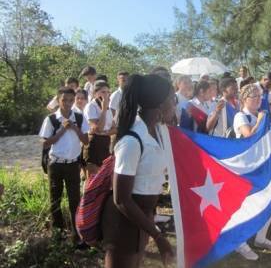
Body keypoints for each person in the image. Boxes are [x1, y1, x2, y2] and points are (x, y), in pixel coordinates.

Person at [101, 74, 174, 268]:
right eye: (171, 99)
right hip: (124, 221)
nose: (174, 104)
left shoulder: (157, 133)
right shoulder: (132, 142)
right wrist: (158, 236)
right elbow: (121, 199)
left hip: (143, 218)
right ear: (159, 104)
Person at [233, 83, 271, 260]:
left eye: (259, 96)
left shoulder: (261, 115)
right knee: (245, 206)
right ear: (245, 99)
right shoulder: (240, 116)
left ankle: (260, 238)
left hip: (262, 166)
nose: (258, 99)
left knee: (270, 202)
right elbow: (248, 136)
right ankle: (240, 243)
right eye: (254, 96)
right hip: (246, 168)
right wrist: (260, 120)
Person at [39, 87, 89, 246]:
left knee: (75, 200)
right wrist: (62, 130)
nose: (67, 103)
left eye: (70, 100)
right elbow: (45, 142)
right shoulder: (52, 119)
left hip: (73, 164)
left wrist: (74, 127)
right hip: (56, 164)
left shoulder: (80, 118)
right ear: (58, 100)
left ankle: (77, 236)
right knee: (55, 199)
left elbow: (86, 141)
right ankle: (58, 234)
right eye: (64, 100)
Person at [83, 80, 116, 177]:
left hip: (105, 141)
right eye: (103, 92)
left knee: (103, 176)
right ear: (95, 93)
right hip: (94, 143)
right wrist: (103, 110)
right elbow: (98, 129)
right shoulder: (91, 106)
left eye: (107, 92)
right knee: (93, 177)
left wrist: (106, 133)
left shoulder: (107, 108)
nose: (106, 95)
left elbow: (114, 128)